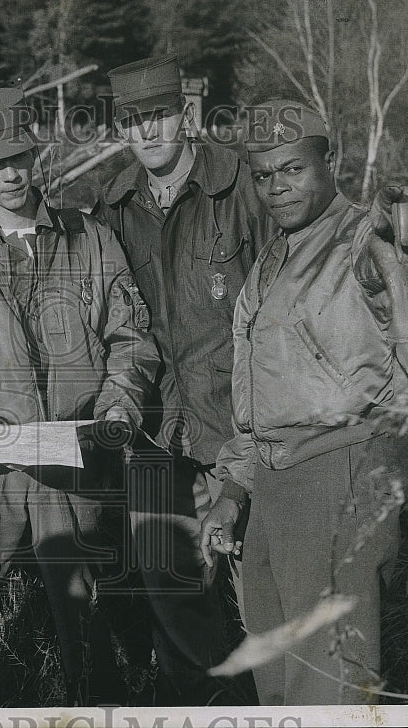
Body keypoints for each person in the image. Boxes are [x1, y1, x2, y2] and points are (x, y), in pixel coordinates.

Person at [200, 99, 408, 705]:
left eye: (292, 169)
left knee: (332, 691)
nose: (276, 186)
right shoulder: (273, 257)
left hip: (338, 480)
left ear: (332, 160)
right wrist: (233, 490)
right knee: (278, 683)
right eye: (263, 174)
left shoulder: (364, 240)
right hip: (272, 493)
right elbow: (256, 393)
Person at [0, 87, 160, 706]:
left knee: (86, 610)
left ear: (37, 154)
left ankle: (97, 706)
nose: (11, 173)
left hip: (75, 453)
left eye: (20, 156)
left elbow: (130, 337)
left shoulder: (89, 239)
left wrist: (119, 406)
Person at [93, 54, 275, 704]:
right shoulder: (113, 204)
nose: (146, 133)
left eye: (158, 116)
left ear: (187, 113)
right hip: (154, 426)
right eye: (132, 120)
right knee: (171, 585)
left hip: (243, 421)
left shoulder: (242, 187)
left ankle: (282, 700)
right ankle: (206, 705)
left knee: (262, 585)